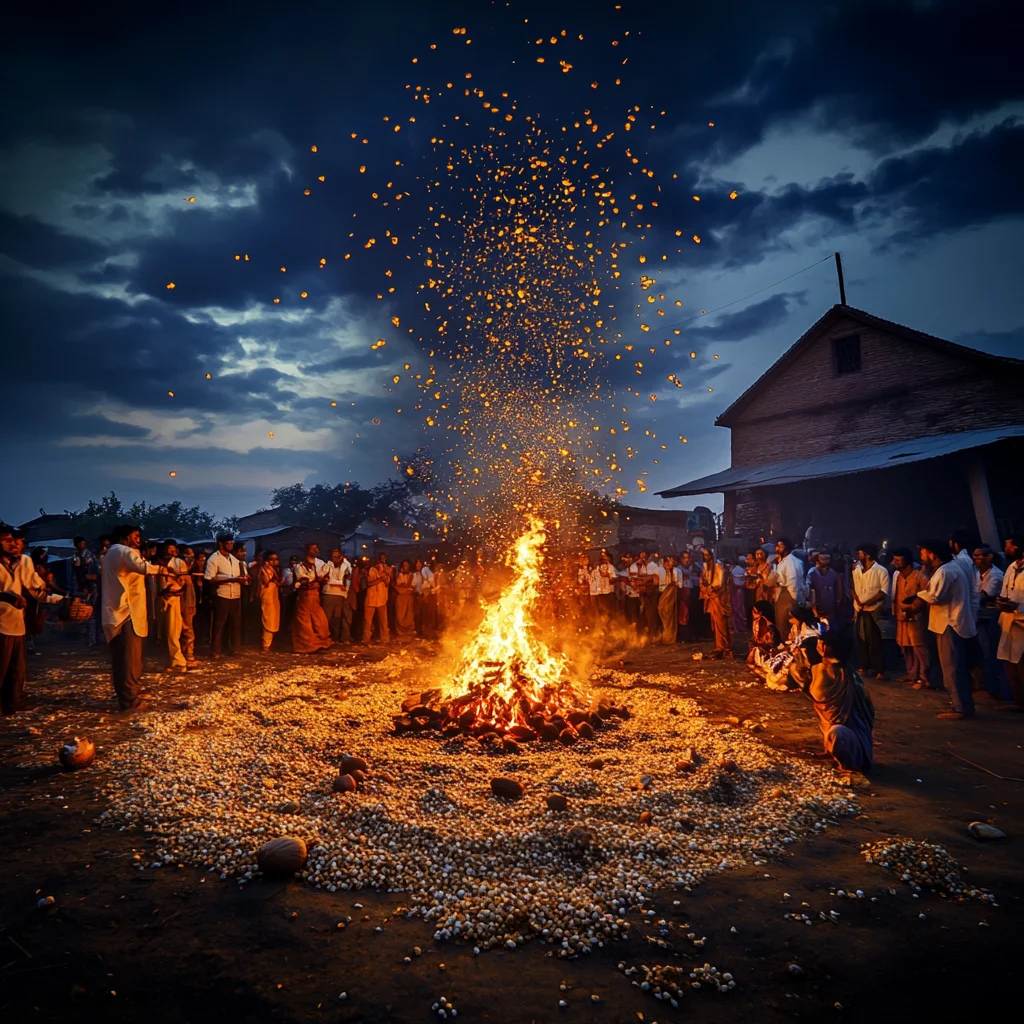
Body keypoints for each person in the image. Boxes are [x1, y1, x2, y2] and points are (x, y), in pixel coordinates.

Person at [101, 523, 168, 711]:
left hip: (123, 612)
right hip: (125, 613)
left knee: (130, 658)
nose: (139, 540)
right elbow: (143, 567)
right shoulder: (123, 550)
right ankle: (129, 699)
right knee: (128, 658)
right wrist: (163, 570)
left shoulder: (114, 552)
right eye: (136, 536)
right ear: (125, 537)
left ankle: (132, 692)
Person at [908, 540, 977, 719]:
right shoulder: (946, 569)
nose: (922, 557)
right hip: (948, 623)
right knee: (953, 667)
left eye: (924, 553)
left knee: (952, 668)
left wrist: (914, 601)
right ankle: (962, 705)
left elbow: (934, 596)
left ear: (933, 555)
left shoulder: (946, 571)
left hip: (950, 623)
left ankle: (961, 708)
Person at [792, 631, 874, 774]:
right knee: (830, 726)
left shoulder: (828, 671)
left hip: (853, 742)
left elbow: (818, 695)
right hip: (844, 732)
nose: (817, 647)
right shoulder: (848, 672)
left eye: (820, 644)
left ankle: (848, 765)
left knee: (837, 731)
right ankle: (830, 750)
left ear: (825, 647)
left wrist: (797, 668)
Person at [1, 524, 60, 715]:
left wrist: (61, 599)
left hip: (16, 622)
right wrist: (8, 597)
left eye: (17, 541)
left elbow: (36, 588)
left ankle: (13, 704)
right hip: (0, 624)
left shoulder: (23, 561)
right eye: (8, 540)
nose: (15, 544)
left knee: (16, 670)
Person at [889, 547, 930, 688]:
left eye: (898, 560)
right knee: (905, 646)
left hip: (916, 618)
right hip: (902, 618)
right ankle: (912, 673)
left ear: (907, 561)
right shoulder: (899, 576)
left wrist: (912, 608)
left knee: (919, 648)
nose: (895, 563)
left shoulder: (920, 576)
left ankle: (925, 678)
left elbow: (925, 595)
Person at [972, 544, 1006, 697]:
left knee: (989, 653)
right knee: (980, 653)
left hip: (990, 620)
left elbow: (983, 596)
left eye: (979, 556)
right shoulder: (977, 573)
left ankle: (992, 688)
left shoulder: (996, 575)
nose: (976, 559)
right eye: (975, 556)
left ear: (989, 557)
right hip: (978, 617)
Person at [852, 543, 889, 679]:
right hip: (859, 609)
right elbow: (853, 587)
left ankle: (880, 670)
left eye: (860, 553)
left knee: (874, 641)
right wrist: (858, 601)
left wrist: (867, 602)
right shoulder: (856, 570)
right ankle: (864, 666)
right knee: (861, 640)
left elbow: (884, 592)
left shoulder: (881, 571)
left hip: (873, 610)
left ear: (867, 555)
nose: (858, 556)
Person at [995, 534, 1024, 711]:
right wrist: (1003, 602)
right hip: (1008, 621)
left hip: (1021, 622)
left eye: (1009, 546)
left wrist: (1017, 606)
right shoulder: (1011, 568)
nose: (1006, 549)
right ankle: (1018, 701)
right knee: (1009, 662)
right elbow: (1006, 592)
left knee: (1021, 662)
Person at [204, 534, 244, 658]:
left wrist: (244, 579)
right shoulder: (214, 559)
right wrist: (230, 579)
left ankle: (233, 649)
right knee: (219, 624)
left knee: (235, 623)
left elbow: (240, 576)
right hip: (221, 595)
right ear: (221, 544)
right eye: (228, 543)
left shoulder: (234, 559)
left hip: (235, 594)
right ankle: (216, 650)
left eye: (232, 542)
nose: (231, 545)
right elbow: (209, 579)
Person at [292, 544, 332, 653]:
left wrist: (323, 579)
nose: (317, 550)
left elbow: (326, 577)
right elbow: (303, 581)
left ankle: (320, 644)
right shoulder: (300, 566)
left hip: (316, 596)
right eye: (314, 549)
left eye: (317, 548)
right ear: (307, 550)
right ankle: (306, 647)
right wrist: (314, 581)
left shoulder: (320, 563)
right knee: (305, 622)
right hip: (305, 596)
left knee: (320, 620)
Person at [156, 540, 187, 674]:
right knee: (160, 632)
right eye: (169, 551)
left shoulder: (179, 563)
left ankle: (179, 662)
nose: (171, 553)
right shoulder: (156, 563)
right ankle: (167, 660)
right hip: (160, 599)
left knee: (173, 632)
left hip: (174, 599)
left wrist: (172, 574)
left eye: (173, 551)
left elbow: (184, 583)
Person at [700, 548, 733, 659]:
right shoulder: (705, 568)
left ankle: (724, 647)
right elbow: (703, 581)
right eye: (704, 555)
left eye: (707, 555)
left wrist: (712, 590)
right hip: (711, 598)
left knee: (721, 623)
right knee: (715, 623)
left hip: (719, 598)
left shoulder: (718, 567)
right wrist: (706, 589)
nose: (706, 557)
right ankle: (720, 646)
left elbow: (721, 584)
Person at [773, 537, 806, 638]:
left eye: (780, 546)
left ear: (786, 548)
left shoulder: (791, 562)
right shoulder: (783, 561)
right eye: (777, 546)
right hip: (783, 594)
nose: (777, 549)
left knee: (785, 626)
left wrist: (793, 600)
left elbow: (794, 582)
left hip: (789, 595)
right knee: (780, 624)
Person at [321, 549, 353, 642]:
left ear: (341, 557)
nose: (335, 558)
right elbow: (324, 578)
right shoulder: (326, 566)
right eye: (333, 556)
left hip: (341, 595)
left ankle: (335, 638)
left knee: (337, 619)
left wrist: (344, 586)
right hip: (328, 594)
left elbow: (348, 579)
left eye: (337, 556)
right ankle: (325, 638)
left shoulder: (346, 566)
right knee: (327, 618)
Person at [806, 552, 842, 625]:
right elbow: (809, 590)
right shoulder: (812, 573)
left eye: (828, 559)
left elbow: (839, 589)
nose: (826, 561)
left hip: (830, 608)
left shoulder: (833, 573)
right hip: (816, 608)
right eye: (823, 559)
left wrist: (838, 602)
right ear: (817, 560)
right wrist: (813, 606)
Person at [362, 555, 390, 643]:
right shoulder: (371, 570)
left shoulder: (386, 570)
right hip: (371, 598)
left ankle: (385, 638)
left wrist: (385, 574)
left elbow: (387, 583)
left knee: (383, 621)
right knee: (367, 621)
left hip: (382, 598)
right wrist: (379, 579)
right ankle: (366, 638)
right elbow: (369, 583)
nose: (380, 563)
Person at [258, 551, 282, 651]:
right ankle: (265, 644)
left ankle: (270, 643)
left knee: (274, 618)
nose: (275, 561)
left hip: (274, 597)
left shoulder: (276, 570)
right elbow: (266, 581)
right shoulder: (263, 569)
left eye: (276, 559)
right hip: (267, 597)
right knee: (268, 619)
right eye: (272, 559)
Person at [747, 600, 781, 669]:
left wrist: (758, 645)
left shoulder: (763, 623)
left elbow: (769, 642)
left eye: (755, 611)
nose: (752, 613)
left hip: (768, 651)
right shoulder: (756, 622)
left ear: (761, 613)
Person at [590, 550, 616, 625]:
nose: (603, 558)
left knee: (607, 611)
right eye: (602, 556)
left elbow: (613, 579)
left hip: (607, 592)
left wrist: (608, 575)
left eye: (605, 556)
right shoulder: (596, 568)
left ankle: (608, 627)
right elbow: (593, 579)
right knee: (599, 612)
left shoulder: (611, 567)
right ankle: (601, 629)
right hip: (598, 593)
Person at [393, 559, 417, 640]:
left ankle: (409, 631)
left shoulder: (412, 575)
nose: (405, 566)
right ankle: (400, 631)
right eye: (404, 565)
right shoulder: (398, 574)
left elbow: (412, 587)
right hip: (400, 597)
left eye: (407, 565)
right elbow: (397, 585)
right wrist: (402, 588)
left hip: (408, 597)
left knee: (409, 614)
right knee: (400, 614)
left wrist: (405, 588)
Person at [657, 555, 678, 644]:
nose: (668, 564)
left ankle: (669, 638)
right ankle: (664, 636)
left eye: (670, 563)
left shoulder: (676, 571)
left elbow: (677, 584)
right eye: (667, 563)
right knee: (662, 612)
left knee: (669, 615)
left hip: (670, 596)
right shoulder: (660, 571)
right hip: (662, 595)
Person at [644, 552, 664, 639]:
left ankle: (653, 634)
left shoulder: (656, 566)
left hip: (654, 592)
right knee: (652, 614)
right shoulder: (655, 566)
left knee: (653, 614)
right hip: (653, 592)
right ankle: (654, 633)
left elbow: (655, 580)